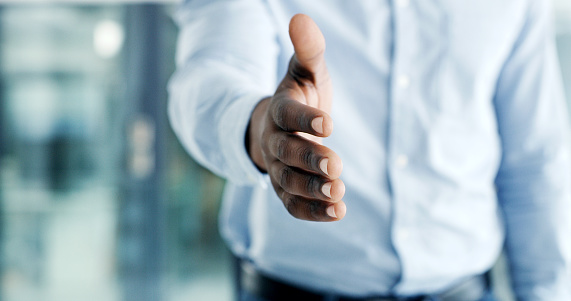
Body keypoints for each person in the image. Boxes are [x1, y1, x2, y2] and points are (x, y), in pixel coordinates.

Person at [168, 0, 571, 300]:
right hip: (294, 289)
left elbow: (534, 160)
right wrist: (260, 129)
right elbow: (213, 72)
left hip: (466, 289)